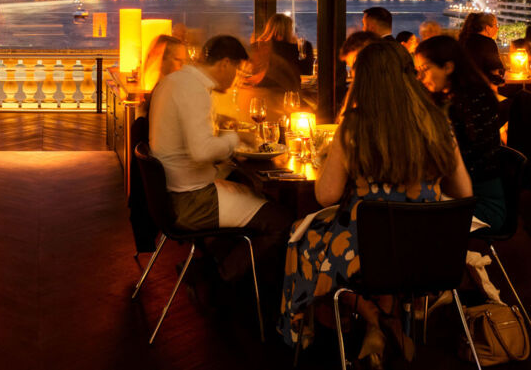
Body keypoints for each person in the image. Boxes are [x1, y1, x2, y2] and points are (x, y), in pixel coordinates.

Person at [278, 41, 472, 362]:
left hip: (364, 254)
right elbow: (464, 193)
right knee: (381, 244)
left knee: (301, 238)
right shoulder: (438, 124)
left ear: (362, 79)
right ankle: (384, 319)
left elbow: (326, 195)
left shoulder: (353, 129)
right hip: (430, 252)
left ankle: (366, 316)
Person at [149, 35, 291, 293]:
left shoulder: (176, 81)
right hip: (191, 201)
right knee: (282, 220)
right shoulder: (193, 90)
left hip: (172, 193)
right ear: (226, 63)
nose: (238, 79)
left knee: (244, 187)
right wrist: (235, 138)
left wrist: (223, 130)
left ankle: (219, 270)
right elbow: (201, 151)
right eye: (238, 71)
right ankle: (217, 278)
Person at [414, 35, 506, 228]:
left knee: (403, 209)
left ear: (448, 67)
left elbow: (453, 160)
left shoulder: (473, 102)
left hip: (480, 203)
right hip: (457, 192)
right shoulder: (449, 98)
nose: (419, 77)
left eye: (424, 69)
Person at [249, 13, 302, 94]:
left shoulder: (258, 46)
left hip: (260, 92)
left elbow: (253, 71)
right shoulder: (292, 49)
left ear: (269, 28)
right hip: (287, 93)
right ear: (288, 30)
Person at [459, 12, 504, 87]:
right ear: (487, 28)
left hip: (462, 86)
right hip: (480, 88)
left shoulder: (464, 39)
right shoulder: (488, 43)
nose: (497, 28)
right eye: (496, 25)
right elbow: (495, 71)